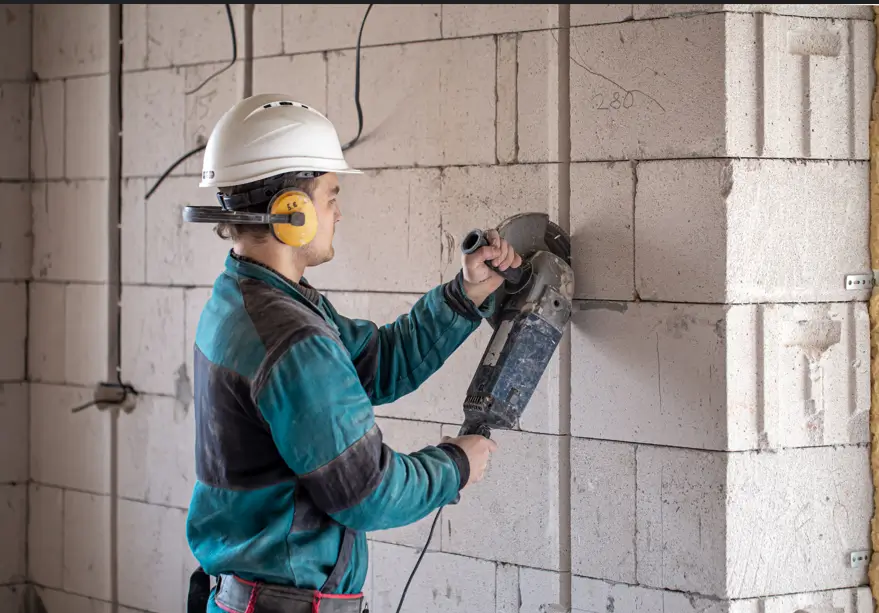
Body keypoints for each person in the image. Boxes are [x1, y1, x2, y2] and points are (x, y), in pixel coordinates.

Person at [184, 94, 523, 613]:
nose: (338, 214)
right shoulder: (289, 336)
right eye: (330, 196)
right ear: (292, 212)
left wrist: (467, 292)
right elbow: (367, 491)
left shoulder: (244, 298)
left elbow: (372, 364)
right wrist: (456, 464)